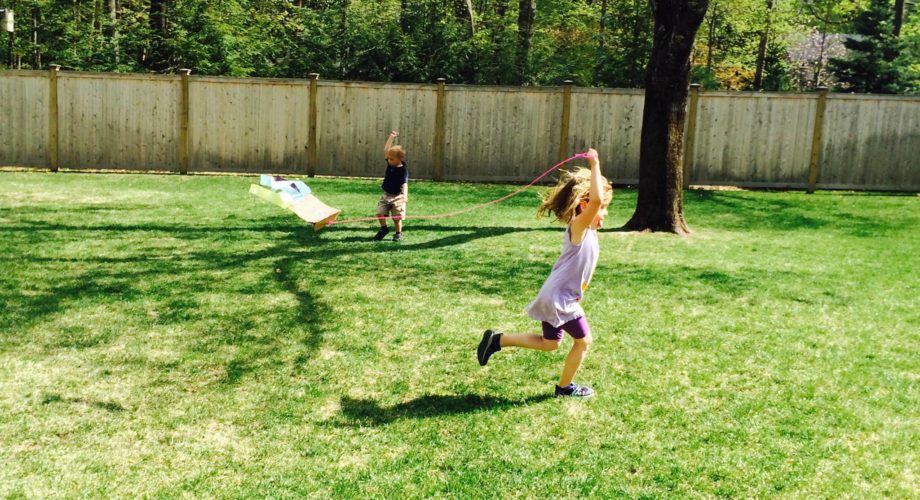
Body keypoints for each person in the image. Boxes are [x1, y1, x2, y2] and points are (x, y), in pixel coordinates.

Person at [477, 148, 611, 398]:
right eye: (603, 209)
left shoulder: (588, 232)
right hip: (561, 299)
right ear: (585, 205)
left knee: (551, 344)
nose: (603, 214)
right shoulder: (579, 226)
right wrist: (595, 166)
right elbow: (595, 200)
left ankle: (497, 340)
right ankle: (564, 388)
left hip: (558, 295)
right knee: (584, 342)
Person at [374, 131, 409, 242]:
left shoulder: (403, 170)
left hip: (398, 197)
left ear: (400, 159)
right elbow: (386, 151)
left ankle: (398, 233)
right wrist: (391, 138)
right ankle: (384, 228)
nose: (388, 160)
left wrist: (405, 195)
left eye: (391, 159)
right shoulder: (390, 164)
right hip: (386, 195)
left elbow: (405, 183)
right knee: (380, 213)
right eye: (388, 158)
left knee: (396, 218)